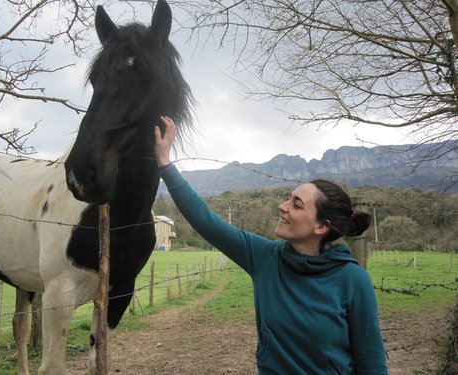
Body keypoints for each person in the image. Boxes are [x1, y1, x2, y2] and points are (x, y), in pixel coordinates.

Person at [154, 116, 388, 374]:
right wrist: (165, 164)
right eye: (288, 197)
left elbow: (371, 362)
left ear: (320, 227)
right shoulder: (265, 258)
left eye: (296, 204)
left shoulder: (352, 279)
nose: (282, 206)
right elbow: (206, 221)